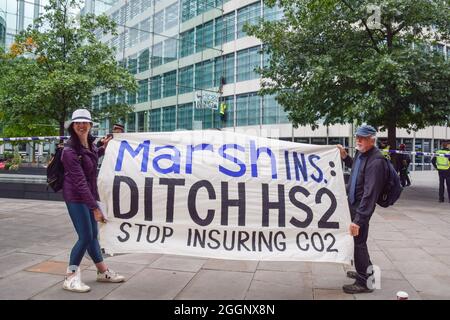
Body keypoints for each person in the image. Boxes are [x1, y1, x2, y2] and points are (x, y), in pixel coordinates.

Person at [61, 109, 125, 292]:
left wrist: (104, 147)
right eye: (78, 123)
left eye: (85, 123)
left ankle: (102, 272)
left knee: (92, 236)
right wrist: (95, 207)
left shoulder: (88, 144)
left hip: (88, 195)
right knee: (85, 236)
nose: (81, 126)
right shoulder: (69, 150)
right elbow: (79, 182)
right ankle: (70, 276)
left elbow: (92, 157)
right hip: (75, 196)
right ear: (73, 126)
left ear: (90, 125)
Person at [337, 125, 387, 294]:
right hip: (353, 204)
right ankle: (367, 272)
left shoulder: (376, 161)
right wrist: (345, 157)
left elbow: (370, 194)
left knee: (358, 243)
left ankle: (365, 282)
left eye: (363, 138)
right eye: (357, 136)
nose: (358, 140)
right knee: (358, 242)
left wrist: (358, 220)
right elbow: (356, 169)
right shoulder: (361, 152)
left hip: (361, 207)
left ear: (372, 140)